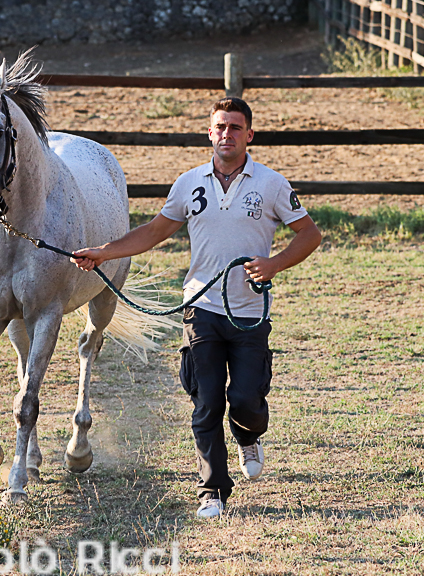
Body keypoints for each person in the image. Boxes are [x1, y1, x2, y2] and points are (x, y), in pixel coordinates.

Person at [71, 97, 322, 519]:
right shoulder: (189, 183)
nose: (227, 134)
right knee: (206, 403)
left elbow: (309, 234)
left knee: (245, 400)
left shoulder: (272, 184)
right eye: (220, 127)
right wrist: (103, 252)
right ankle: (212, 491)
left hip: (249, 312)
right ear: (210, 133)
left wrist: (274, 264)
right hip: (201, 308)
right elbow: (154, 231)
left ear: (249, 135)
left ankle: (248, 437)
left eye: (235, 127)